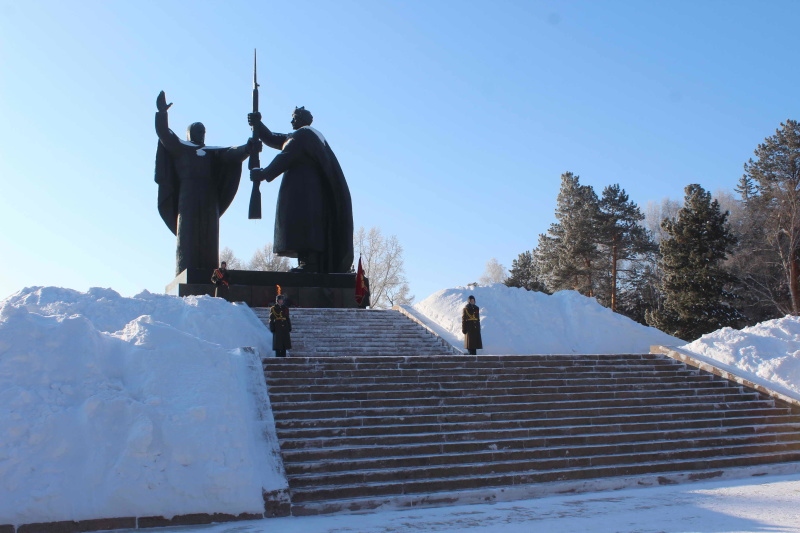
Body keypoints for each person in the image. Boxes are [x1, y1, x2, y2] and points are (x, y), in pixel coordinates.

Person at [155, 90, 253, 275]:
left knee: (210, 234)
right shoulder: (181, 148)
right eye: (197, 131)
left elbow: (231, 153)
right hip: (188, 194)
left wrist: (247, 149)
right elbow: (164, 134)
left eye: (203, 131)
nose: (200, 134)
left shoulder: (211, 152)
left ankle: (209, 271)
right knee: (188, 233)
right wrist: (162, 113)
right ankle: (186, 269)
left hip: (209, 196)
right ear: (189, 133)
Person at [248, 107, 353, 273]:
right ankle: (307, 263)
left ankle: (309, 264)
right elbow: (274, 139)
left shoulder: (304, 135)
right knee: (302, 227)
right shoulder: (307, 136)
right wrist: (258, 124)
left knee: (304, 227)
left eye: (295, 118)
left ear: (303, 119)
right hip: (305, 192)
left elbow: (286, 155)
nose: (292, 121)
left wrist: (263, 174)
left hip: (305, 193)